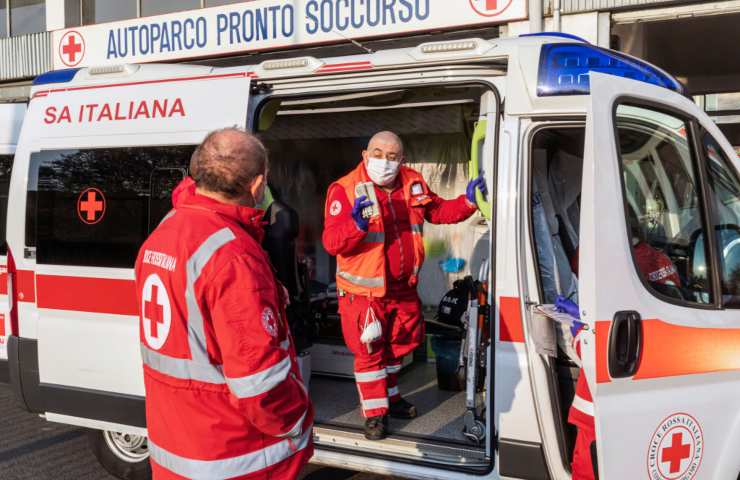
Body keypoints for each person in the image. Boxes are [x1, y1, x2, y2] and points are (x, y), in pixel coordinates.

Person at [135, 128, 313, 479]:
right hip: (235, 455)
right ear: (257, 185)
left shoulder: (164, 232)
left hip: (176, 448)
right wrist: (298, 418)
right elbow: (261, 385)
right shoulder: (233, 256)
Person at [322, 131, 486, 440]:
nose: (384, 161)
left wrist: (467, 201)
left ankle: (391, 397)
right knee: (371, 351)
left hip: (402, 287)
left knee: (398, 346)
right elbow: (332, 243)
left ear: (402, 160)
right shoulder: (344, 189)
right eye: (378, 154)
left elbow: (438, 211)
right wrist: (355, 226)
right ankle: (375, 414)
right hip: (365, 292)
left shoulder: (412, 181)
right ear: (364, 155)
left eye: (392, 156)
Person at [559, 209, 681, 480]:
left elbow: (605, 347)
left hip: (596, 410)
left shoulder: (606, 264)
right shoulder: (658, 259)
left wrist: (578, 329)